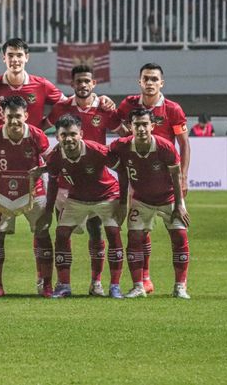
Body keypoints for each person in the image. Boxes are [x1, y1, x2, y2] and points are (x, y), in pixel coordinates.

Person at [41, 65, 124, 297]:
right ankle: (62, 283)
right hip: (68, 183)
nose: (83, 85)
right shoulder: (61, 108)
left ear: (94, 84)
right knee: (62, 232)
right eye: (79, 81)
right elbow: (40, 128)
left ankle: (97, 282)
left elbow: (125, 134)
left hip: (97, 177)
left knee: (95, 229)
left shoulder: (104, 108)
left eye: (87, 81)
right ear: (73, 84)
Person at [116, 62, 190, 294]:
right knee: (139, 231)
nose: (149, 83)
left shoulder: (172, 109)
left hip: (167, 181)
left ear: (161, 83)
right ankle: (144, 280)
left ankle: (180, 285)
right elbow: (112, 121)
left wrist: (184, 176)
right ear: (139, 82)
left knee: (178, 233)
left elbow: (184, 144)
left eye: (154, 79)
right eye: (146, 79)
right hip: (139, 179)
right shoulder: (128, 105)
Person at [105, 108, 191, 299]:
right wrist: (119, 170)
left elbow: (176, 176)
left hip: (168, 199)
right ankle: (138, 286)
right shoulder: (121, 145)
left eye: (145, 124)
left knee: (179, 237)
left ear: (152, 126)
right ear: (130, 126)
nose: (141, 129)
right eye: (137, 124)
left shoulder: (165, 147)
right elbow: (106, 155)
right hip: (141, 200)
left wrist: (179, 205)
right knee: (134, 238)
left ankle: (180, 286)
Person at [0, 96, 53, 297]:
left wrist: (42, 169)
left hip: (33, 192)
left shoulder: (37, 135)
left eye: (18, 116)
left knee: (42, 234)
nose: (13, 121)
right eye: (9, 116)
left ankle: (45, 284)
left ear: (26, 116)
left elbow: (53, 163)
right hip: (1, 193)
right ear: (3, 116)